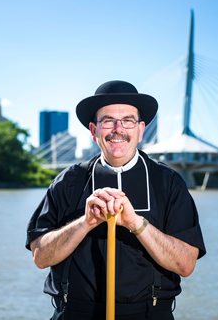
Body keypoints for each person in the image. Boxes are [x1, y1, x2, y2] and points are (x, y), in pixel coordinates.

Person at [26, 80, 206, 320]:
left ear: (141, 129)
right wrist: (85, 222)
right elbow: (41, 257)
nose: (117, 129)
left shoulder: (168, 183)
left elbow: (186, 265)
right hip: (75, 313)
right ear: (93, 130)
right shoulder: (68, 182)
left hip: (148, 315)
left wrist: (137, 224)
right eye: (108, 120)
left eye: (128, 121)